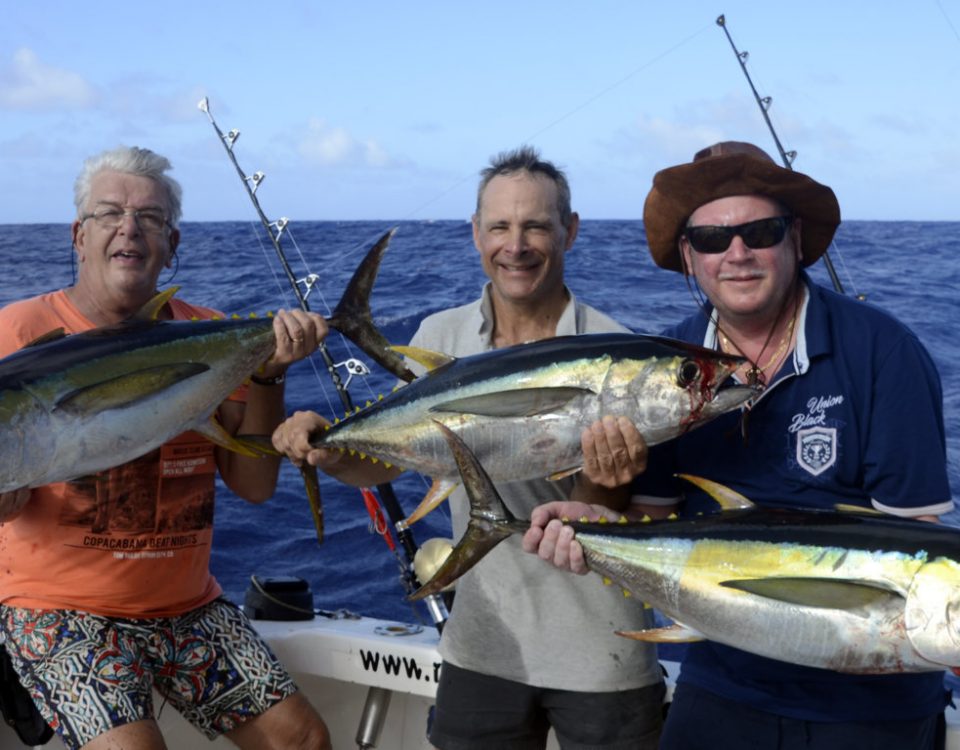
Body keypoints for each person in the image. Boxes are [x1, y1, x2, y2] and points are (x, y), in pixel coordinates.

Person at [523, 141, 954, 749]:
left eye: (761, 230)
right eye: (711, 240)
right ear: (688, 257)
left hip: (870, 704)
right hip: (720, 685)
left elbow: (912, 541)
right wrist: (595, 508)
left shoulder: (883, 352)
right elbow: (649, 518)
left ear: (796, 239)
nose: (738, 253)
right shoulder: (658, 371)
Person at [272, 146, 666, 749]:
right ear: (476, 234)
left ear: (571, 231)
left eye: (536, 224)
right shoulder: (440, 336)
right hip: (480, 648)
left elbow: (634, 513)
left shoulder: (618, 351)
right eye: (501, 226)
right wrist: (325, 449)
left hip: (603, 656)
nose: (517, 244)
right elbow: (392, 456)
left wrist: (608, 479)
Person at [0, 146, 332, 750]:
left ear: (172, 244)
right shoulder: (16, 334)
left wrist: (270, 373)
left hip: (186, 607)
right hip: (57, 607)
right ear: (79, 235)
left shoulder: (211, 331)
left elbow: (254, 488)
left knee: (303, 740)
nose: (129, 228)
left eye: (149, 219)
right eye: (110, 214)